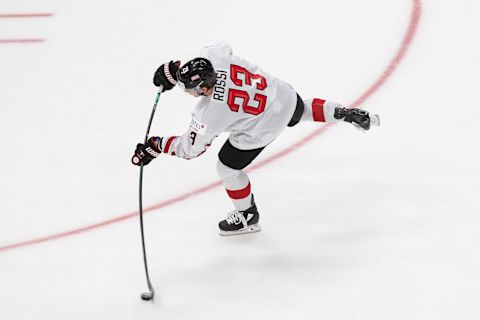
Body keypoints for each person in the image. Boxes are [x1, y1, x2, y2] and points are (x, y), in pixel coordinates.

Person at [132, 42, 380, 236]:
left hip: (263, 127)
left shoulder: (208, 113)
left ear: (203, 89)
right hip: (281, 95)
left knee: (226, 167)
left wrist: (156, 145)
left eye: (189, 88)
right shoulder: (217, 58)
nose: (186, 91)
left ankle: (247, 216)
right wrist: (176, 72)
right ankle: (345, 113)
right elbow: (215, 47)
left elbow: (190, 149)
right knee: (301, 110)